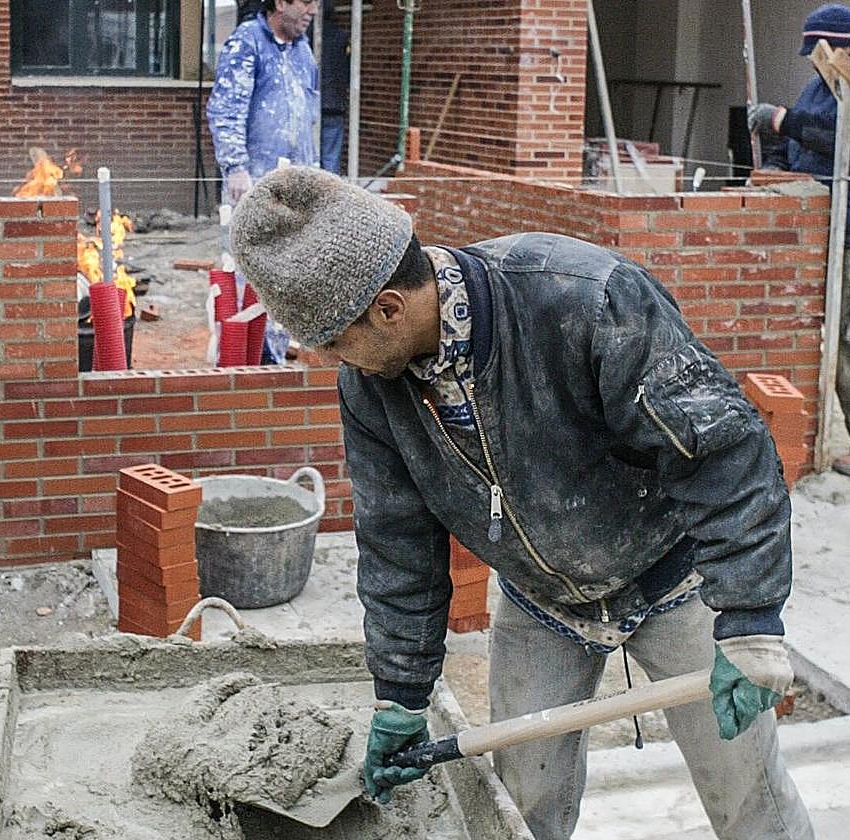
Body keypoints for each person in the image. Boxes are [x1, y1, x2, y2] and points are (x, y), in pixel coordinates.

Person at [231, 166, 814, 840]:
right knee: (519, 810)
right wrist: (399, 694)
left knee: (750, 802)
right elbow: (396, 541)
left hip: (675, 581)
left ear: (387, 308)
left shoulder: (582, 300)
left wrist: (750, 621)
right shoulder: (375, 391)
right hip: (543, 606)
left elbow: (722, 453)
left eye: (335, 341)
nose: (338, 361)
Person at [749, 3, 850, 478]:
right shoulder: (821, 83)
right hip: (831, 226)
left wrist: (783, 121)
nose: (811, 59)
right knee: (832, 335)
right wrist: (776, 164)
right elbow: (805, 140)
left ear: (841, 44)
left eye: (816, 49)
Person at [207, 0, 320, 363]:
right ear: (280, 2)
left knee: (292, 272)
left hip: (297, 187)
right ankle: (247, 356)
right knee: (250, 271)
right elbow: (226, 109)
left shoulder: (303, 52)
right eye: (306, 1)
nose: (313, 10)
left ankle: (277, 350)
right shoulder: (248, 42)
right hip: (255, 184)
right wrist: (236, 166)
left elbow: (309, 118)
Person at [319, 0, 350, 175]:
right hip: (335, 103)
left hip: (313, 104)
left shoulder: (304, 38)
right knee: (331, 158)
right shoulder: (341, 37)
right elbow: (347, 69)